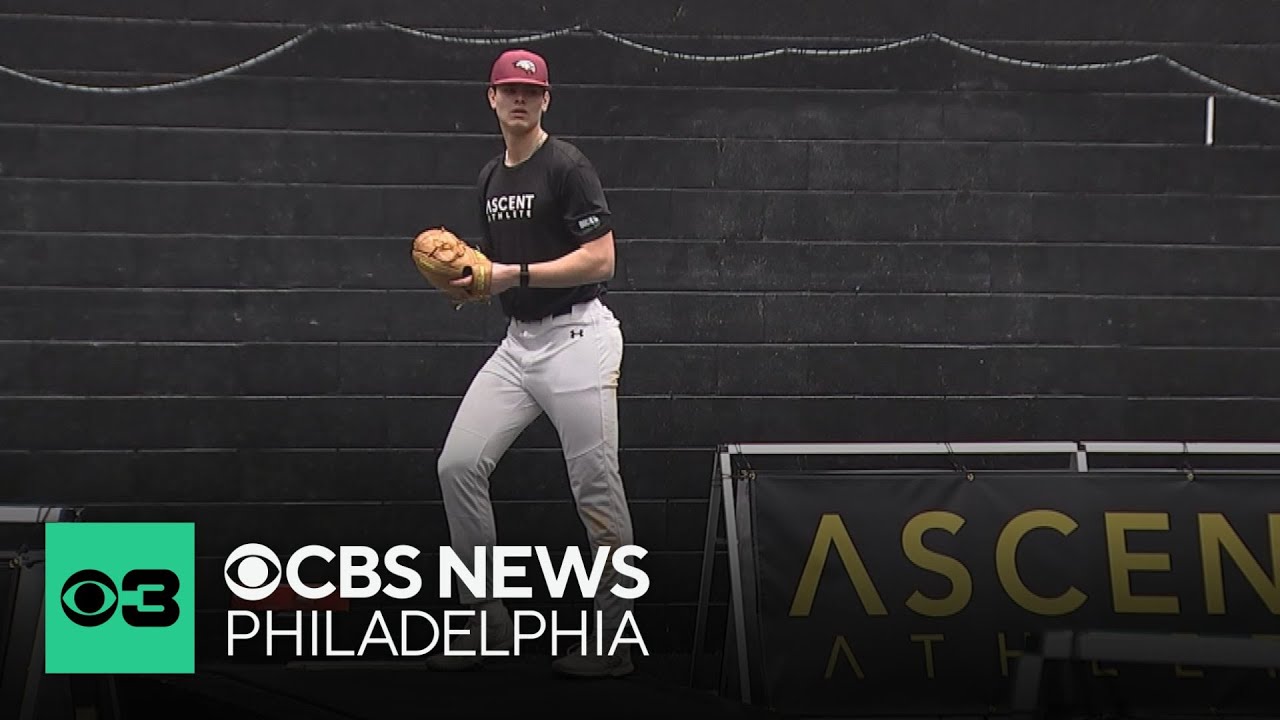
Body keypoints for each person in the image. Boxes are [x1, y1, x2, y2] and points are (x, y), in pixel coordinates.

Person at [424, 48, 636, 678]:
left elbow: (601, 259)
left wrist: (509, 274)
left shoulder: (567, 166)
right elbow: (492, 265)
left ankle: (614, 642)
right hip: (519, 344)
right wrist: (468, 279)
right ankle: (485, 622)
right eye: (509, 91)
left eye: (532, 91)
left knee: (596, 487)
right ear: (491, 98)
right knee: (458, 464)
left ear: (546, 100)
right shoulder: (490, 177)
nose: (520, 99)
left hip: (579, 337)